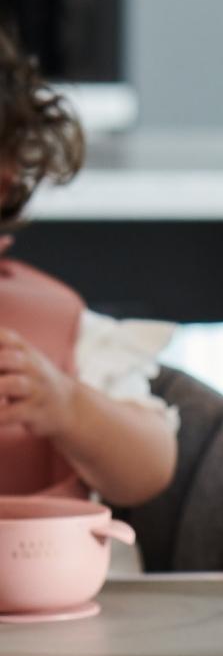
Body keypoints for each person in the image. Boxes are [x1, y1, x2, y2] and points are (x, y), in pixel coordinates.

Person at [0, 34, 177, 506]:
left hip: (35, 576)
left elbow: (151, 468)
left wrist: (66, 406)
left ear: (6, 179)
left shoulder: (56, 332)